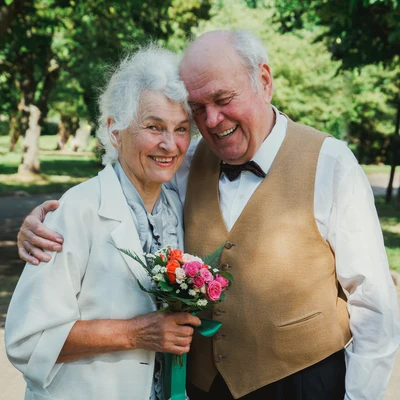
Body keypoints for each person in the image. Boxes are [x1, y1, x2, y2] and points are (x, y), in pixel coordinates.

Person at [17, 30, 400, 400]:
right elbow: (125, 182)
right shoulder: (184, 166)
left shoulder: (331, 163)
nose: (213, 120)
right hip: (200, 389)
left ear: (264, 81)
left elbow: (373, 301)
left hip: (303, 384)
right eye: (198, 109)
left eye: (223, 98)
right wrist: (43, 222)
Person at [5, 45, 201, 400]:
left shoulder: (178, 204)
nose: (170, 144)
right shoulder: (76, 211)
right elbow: (26, 340)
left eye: (182, 129)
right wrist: (136, 334)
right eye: (154, 127)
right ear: (114, 131)